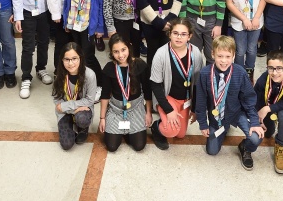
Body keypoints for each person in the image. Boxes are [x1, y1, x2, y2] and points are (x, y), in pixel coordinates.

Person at [196, 36, 263, 170]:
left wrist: (255, 122)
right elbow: (201, 101)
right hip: (216, 118)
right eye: (220, 56)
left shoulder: (240, 72)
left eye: (228, 56)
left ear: (233, 56)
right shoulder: (204, 74)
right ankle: (223, 129)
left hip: (236, 113)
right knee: (212, 151)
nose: (224, 61)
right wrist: (203, 124)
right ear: (212, 54)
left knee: (256, 138)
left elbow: (249, 99)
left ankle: (245, 148)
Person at [148, 18, 206, 150]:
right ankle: (156, 127)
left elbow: (197, 83)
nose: (179, 37)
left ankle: (168, 120)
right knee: (171, 130)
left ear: (190, 36)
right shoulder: (161, 54)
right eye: (175, 33)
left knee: (180, 134)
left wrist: (195, 108)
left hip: (186, 99)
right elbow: (155, 85)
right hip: (167, 97)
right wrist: (169, 110)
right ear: (169, 34)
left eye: (183, 34)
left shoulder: (195, 53)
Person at [99, 34, 153, 152]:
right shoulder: (109, 68)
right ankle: (124, 131)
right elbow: (104, 95)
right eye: (116, 52)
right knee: (112, 147)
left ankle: (129, 131)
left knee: (139, 146)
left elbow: (148, 92)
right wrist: (102, 118)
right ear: (111, 53)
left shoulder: (140, 65)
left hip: (136, 107)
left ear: (129, 48)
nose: (121, 55)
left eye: (123, 50)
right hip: (116, 108)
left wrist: (148, 113)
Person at [62, 0, 106, 87]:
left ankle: (99, 84)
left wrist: (100, 27)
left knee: (88, 55)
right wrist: (65, 21)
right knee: (77, 54)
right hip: (74, 20)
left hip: (88, 23)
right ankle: (83, 81)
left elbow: (100, 5)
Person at [254, 50, 283, 174]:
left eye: (279, 68)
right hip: (264, 107)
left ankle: (281, 145)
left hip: (279, 106)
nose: (275, 73)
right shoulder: (263, 80)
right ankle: (270, 125)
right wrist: (258, 120)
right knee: (268, 134)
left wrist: (269, 109)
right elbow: (254, 101)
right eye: (271, 68)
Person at [53, 42, 98, 150]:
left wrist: (66, 106)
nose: (71, 63)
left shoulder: (90, 75)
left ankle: (83, 128)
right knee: (67, 145)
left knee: (82, 119)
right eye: (67, 59)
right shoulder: (59, 74)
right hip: (65, 112)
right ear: (62, 60)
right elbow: (56, 99)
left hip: (83, 110)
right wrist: (71, 109)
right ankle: (70, 124)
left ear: (80, 58)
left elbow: (89, 100)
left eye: (74, 58)